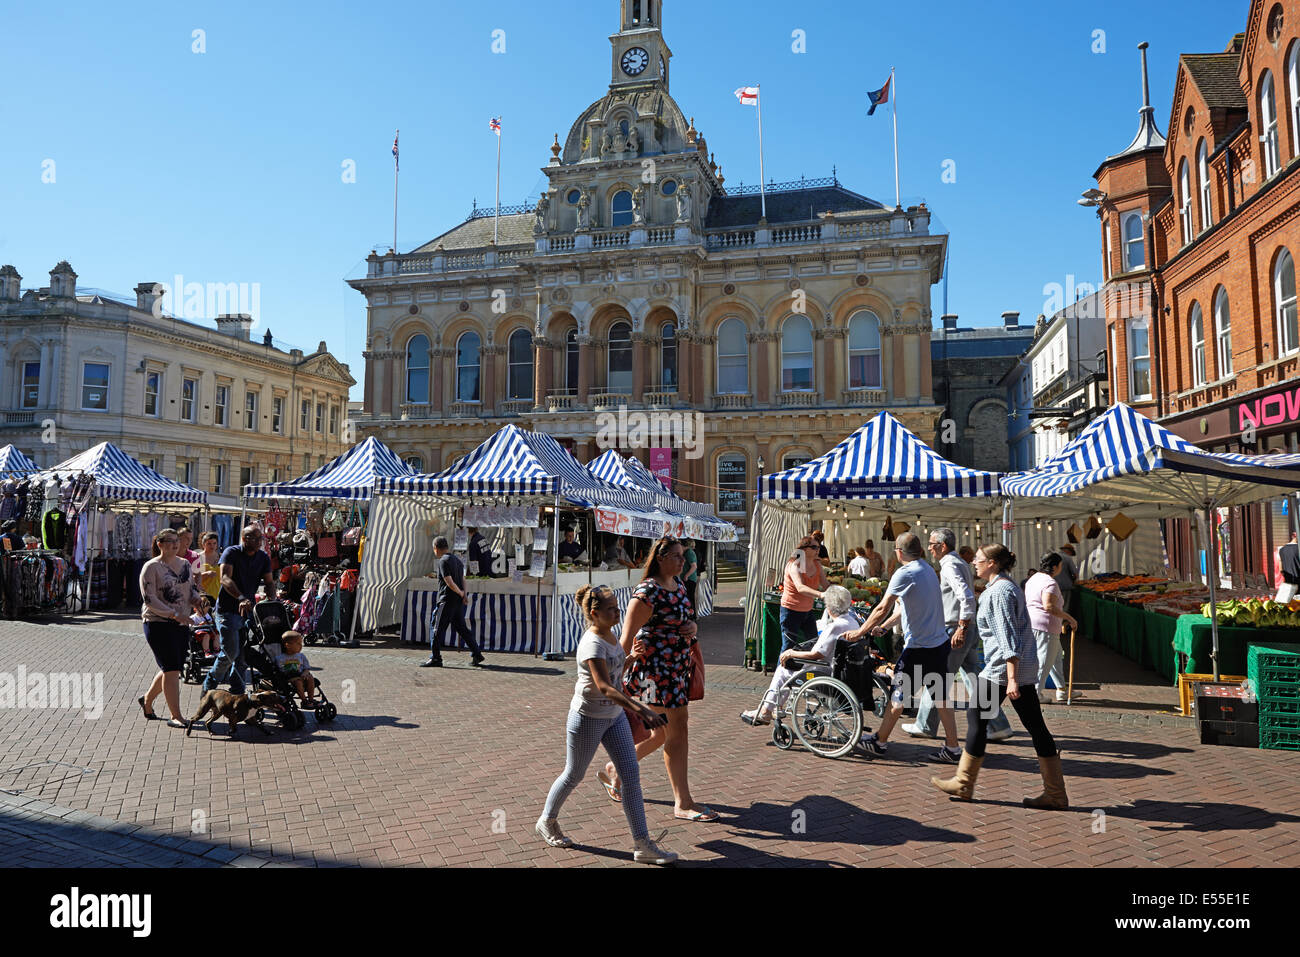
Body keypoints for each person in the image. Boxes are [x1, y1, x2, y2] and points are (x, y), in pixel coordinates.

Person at [537, 584, 677, 865]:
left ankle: (642, 844)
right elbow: (604, 687)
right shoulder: (592, 644)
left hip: (613, 718)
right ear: (594, 613)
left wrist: (629, 660)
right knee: (574, 774)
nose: (618, 612)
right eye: (612, 609)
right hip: (588, 718)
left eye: (617, 607)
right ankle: (547, 820)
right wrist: (642, 711)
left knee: (630, 776)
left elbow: (613, 674)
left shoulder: (610, 635)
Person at [932, 544, 1068, 808]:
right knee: (1033, 726)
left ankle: (964, 783)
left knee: (978, 718)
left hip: (1002, 670)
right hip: (1014, 668)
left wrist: (1012, 676)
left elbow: (1007, 636)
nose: (975, 564)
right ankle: (1055, 793)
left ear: (993, 563)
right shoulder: (1004, 587)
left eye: (979, 560)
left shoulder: (1001, 591)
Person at [601, 538, 714, 822]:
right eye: (676, 556)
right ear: (660, 558)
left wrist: (693, 626)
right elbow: (625, 639)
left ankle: (617, 769)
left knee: (663, 733)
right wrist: (615, 675)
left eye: (683, 556)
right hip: (656, 673)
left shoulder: (678, 586)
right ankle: (683, 802)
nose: (683, 561)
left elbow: (686, 619)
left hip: (676, 669)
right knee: (677, 730)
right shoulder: (647, 592)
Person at [848, 532, 962, 759]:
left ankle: (879, 742)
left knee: (898, 697)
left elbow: (882, 607)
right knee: (941, 698)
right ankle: (953, 748)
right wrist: (887, 627)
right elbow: (904, 609)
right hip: (938, 644)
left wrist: (859, 632)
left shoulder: (904, 573)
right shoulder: (928, 569)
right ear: (920, 551)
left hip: (918, 649)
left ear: (899, 552)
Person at [903, 529, 1014, 746]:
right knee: (972, 678)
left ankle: (924, 724)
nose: (929, 547)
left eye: (932, 543)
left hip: (954, 628)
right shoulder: (959, 563)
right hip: (963, 627)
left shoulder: (950, 565)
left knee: (937, 675)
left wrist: (961, 626)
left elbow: (965, 595)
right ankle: (998, 725)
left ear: (943, 546)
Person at [741, 585, 858, 725]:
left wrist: (792, 652)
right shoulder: (853, 621)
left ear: (829, 606)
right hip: (842, 669)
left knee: (783, 670)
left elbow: (816, 654)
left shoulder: (835, 627)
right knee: (789, 669)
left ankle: (766, 711)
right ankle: (775, 707)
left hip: (824, 671)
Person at [138, 529, 204, 728]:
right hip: (158, 623)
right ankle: (176, 715)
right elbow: (150, 600)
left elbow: (190, 588)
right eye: (169, 541)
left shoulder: (184, 564)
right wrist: (174, 614)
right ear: (159, 544)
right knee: (172, 668)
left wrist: (197, 600)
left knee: (171, 667)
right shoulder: (151, 567)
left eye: (177, 541)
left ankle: (147, 700)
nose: (175, 545)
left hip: (182, 622)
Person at [203, 525, 274, 697]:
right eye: (254, 538)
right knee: (230, 652)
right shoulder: (231, 552)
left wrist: (272, 598)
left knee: (242, 658)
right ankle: (208, 688)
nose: (258, 542)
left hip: (248, 612)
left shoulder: (263, 557)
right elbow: (225, 578)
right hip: (227, 610)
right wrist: (241, 597)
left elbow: (270, 582)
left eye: (260, 539)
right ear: (244, 539)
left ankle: (237, 694)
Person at [421, 535, 486, 667]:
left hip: (446, 600)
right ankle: (477, 654)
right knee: (462, 629)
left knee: (436, 628)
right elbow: (463, 579)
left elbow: (448, 581)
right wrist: (464, 594)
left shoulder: (443, 561)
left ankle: (436, 658)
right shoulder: (457, 560)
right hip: (457, 602)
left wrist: (460, 592)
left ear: (436, 548)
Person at [1026, 552, 1078, 703]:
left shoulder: (1034, 578)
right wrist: (1069, 618)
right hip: (1045, 626)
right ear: (1055, 567)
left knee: (1055, 659)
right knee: (1044, 662)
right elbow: (1048, 606)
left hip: (1035, 624)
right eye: (1060, 565)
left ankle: (1062, 690)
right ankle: (1035, 693)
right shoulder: (1050, 582)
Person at [779, 536, 827, 654]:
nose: (818, 550)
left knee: (813, 643)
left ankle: (807, 670)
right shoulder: (794, 565)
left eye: (819, 547)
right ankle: (781, 672)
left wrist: (838, 592)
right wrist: (821, 595)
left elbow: (825, 584)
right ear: (805, 549)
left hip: (807, 610)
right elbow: (800, 587)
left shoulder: (817, 565)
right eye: (814, 547)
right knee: (788, 646)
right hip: (790, 611)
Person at [275, 630, 317, 704]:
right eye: (298, 644)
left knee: (310, 678)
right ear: (287, 645)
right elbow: (281, 671)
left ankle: (311, 699)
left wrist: (305, 673)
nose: (301, 646)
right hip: (290, 677)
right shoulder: (280, 658)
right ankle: (304, 700)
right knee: (298, 682)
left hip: (301, 675)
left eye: (301, 643)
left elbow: (307, 668)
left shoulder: (301, 656)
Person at [196, 531, 222, 603]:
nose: (212, 546)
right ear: (203, 544)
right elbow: (192, 577)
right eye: (209, 544)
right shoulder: (198, 557)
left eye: (214, 543)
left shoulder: (221, 557)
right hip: (203, 595)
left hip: (218, 595)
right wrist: (207, 574)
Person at [681, 538, 699, 618]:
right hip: (689, 579)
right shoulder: (687, 552)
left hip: (689, 579)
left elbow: (694, 566)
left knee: (690, 598)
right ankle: (691, 615)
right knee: (689, 598)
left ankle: (692, 616)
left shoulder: (689, 553)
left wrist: (686, 575)